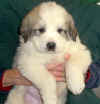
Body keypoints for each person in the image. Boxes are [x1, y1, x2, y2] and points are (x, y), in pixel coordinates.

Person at [0, 0, 100, 104]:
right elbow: (25, 65)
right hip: (22, 97)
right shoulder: (8, 6)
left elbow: (83, 55)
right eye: (41, 30)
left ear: (70, 32)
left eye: (60, 30)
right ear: (28, 31)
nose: (51, 42)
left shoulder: (93, 13)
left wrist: (78, 71)